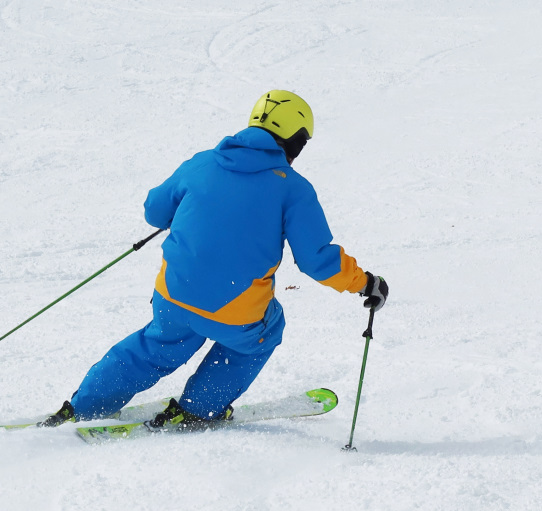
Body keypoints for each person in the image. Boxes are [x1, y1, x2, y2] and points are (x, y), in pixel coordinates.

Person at [41, 90, 388, 429]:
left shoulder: (203, 162)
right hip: (235, 312)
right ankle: (199, 408)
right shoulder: (293, 188)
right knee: (263, 334)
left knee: (157, 345)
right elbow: (316, 259)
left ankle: (85, 406)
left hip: (173, 295)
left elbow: (155, 211)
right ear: (295, 141)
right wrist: (365, 283)